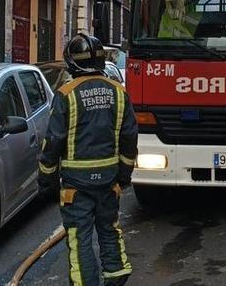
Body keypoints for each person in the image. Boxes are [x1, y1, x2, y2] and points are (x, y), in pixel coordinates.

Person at [38, 33, 138, 286]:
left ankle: (85, 282)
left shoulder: (66, 94)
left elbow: (53, 141)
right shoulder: (119, 92)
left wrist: (46, 179)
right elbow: (129, 137)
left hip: (75, 184)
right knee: (109, 227)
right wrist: (124, 176)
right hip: (109, 179)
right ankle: (116, 274)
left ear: (72, 63)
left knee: (79, 236)